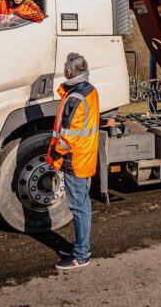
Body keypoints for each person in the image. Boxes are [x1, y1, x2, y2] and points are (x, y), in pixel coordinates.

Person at [47, 53, 100, 270]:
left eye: (65, 68)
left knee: (79, 207)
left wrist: (56, 155)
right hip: (85, 156)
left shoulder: (75, 97)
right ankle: (81, 246)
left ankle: (81, 255)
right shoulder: (89, 90)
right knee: (83, 205)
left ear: (70, 71)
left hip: (75, 159)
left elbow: (68, 136)